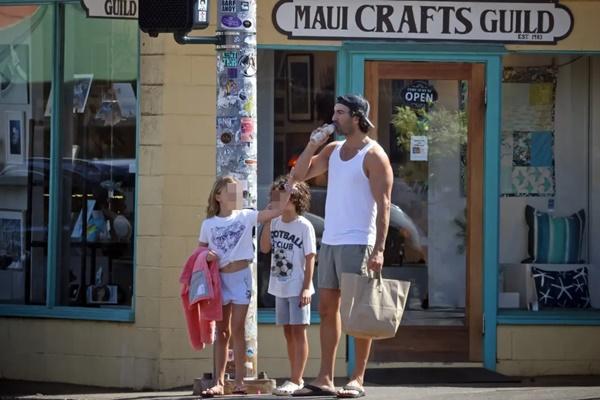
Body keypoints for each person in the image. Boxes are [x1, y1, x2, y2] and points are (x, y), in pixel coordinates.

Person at [289, 94, 393, 398]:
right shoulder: (333, 150)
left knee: (358, 311)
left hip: (359, 241)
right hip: (331, 241)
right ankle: (325, 377)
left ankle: (357, 379)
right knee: (327, 310)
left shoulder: (374, 155)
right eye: (334, 112)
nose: (334, 118)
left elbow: (384, 206)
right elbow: (297, 177)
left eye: (340, 113)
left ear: (357, 117)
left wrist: (380, 249)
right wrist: (312, 144)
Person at [198, 175, 290, 398]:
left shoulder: (246, 216)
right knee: (222, 331)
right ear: (218, 196)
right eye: (230, 192)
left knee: (237, 329)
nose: (235, 196)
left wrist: (289, 187)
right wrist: (206, 255)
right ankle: (219, 382)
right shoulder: (208, 224)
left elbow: (276, 212)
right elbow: (199, 251)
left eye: (238, 192)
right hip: (219, 280)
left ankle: (239, 381)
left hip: (241, 277)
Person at [259, 176, 316, 396]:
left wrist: (306, 287)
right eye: (278, 196)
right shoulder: (274, 222)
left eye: (286, 196)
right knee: (287, 331)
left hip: (298, 286)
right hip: (280, 285)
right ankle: (294, 376)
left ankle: (296, 378)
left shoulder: (304, 225)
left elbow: (311, 257)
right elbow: (264, 248)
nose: (282, 200)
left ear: (296, 198)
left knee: (299, 331)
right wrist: (266, 219)